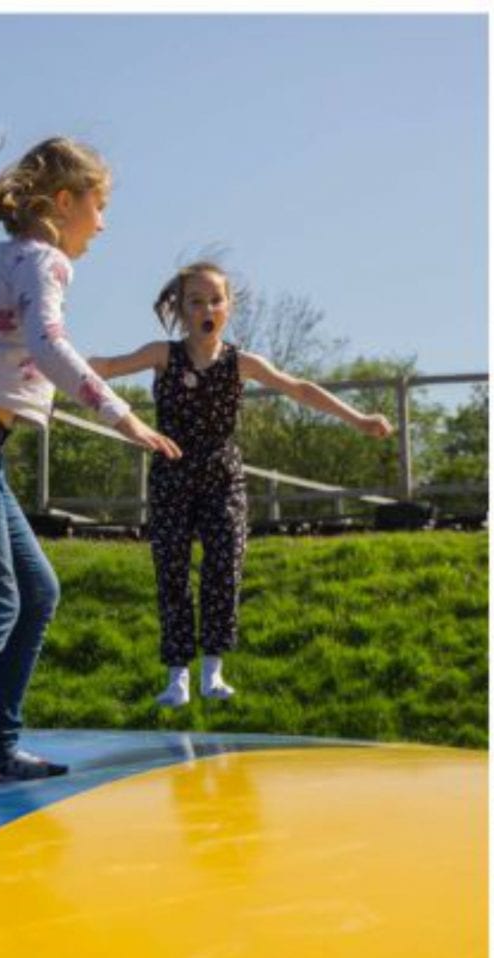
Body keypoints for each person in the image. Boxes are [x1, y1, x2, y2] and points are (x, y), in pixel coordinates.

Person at [0, 131, 182, 791]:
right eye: (99, 204)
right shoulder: (46, 261)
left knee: (36, 593)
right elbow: (50, 343)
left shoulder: (5, 258)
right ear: (64, 201)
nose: (104, 223)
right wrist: (124, 415)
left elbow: (9, 356)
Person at [89, 263, 392, 707]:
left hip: (222, 476)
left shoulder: (241, 362)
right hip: (172, 474)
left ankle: (213, 669)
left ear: (228, 308)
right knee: (172, 571)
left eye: (215, 300)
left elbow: (300, 389)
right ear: (180, 309)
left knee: (225, 562)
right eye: (195, 301)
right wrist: (45, 359)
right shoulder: (162, 355)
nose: (206, 308)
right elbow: (106, 367)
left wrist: (359, 419)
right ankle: (177, 677)